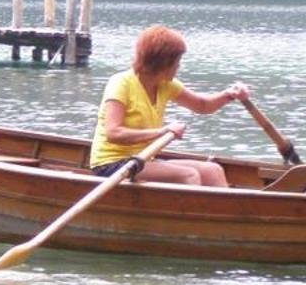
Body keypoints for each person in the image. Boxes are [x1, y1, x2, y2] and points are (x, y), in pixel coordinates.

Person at [88, 24, 249, 186]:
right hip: (111, 164)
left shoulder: (166, 84)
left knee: (213, 170)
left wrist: (229, 94)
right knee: (188, 175)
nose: (179, 66)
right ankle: (190, 211)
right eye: (177, 61)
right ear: (163, 63)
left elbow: (203, 105)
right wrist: (161, 131)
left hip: (144, 160)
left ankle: (221, 211)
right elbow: (113, 133)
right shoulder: (121, 83)